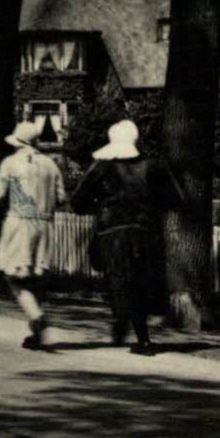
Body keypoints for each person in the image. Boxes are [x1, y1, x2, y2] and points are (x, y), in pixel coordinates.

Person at [69, 119, 184, 356]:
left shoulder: (102, 167)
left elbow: (78, 201)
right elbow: (175, 199)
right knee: (141, 279)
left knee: (120, 278)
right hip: (146, 230)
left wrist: (101, 206)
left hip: (112, 230)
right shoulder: (154, 166)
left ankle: (132, 330)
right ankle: (138, 332)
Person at [0, 120, 67, 351]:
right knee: (35, 276)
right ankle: (36, 333)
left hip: (19, 222)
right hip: (44, 224)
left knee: (14, 277)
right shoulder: (50, 164)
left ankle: (36, 316)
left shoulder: (10, 163)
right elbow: (61, 197)